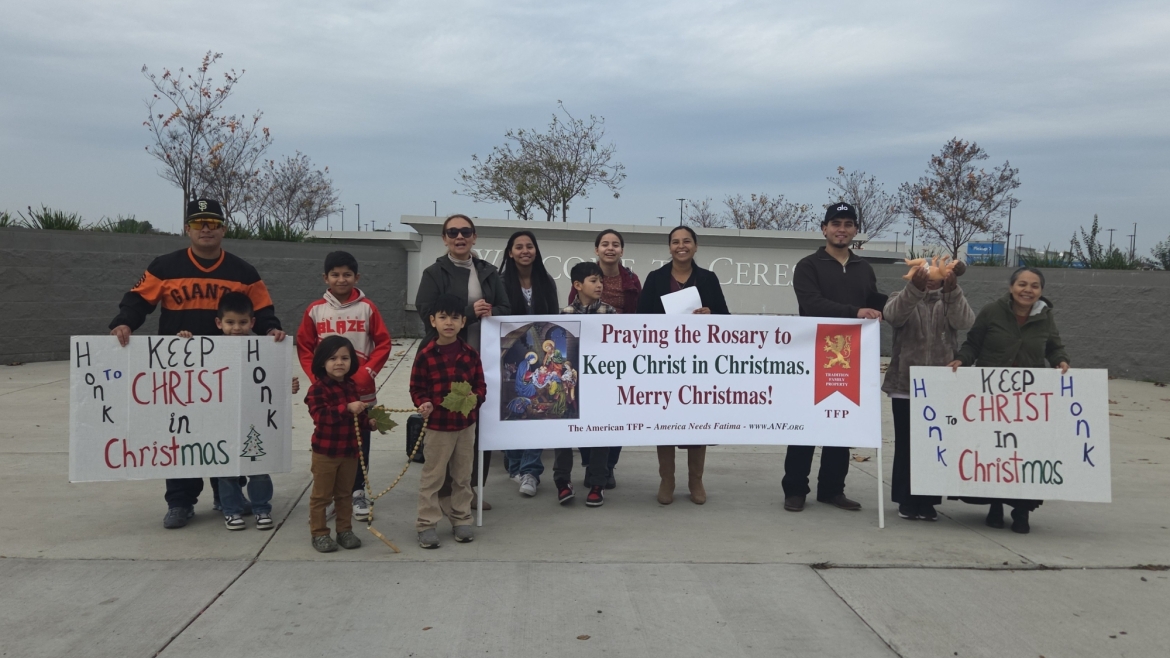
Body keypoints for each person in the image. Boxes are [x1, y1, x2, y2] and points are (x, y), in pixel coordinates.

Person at [108, 198, 286, 530]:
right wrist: (124, 323)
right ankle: (180, 502)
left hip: (228, 369)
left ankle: (226, 495)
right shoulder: (164, 267)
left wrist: (271, 330)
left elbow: (262, 312)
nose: (206, 228)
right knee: (181, 434)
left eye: (213, 223)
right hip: (180, 371)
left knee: (228, 431)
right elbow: (138, 301)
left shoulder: (244, 272)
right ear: (186, 229)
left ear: (223, 229)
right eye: (198, 223)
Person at [946, 267, 1070, 534]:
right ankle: (995, 505)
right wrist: (962, 360)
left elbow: (1054, 347)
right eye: (1022, 284)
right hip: (991, 397)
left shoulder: (1045, 316)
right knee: (994, 454)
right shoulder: (992, 311)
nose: (1028, 290)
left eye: (1034, 286)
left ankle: (1022, 510)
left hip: (1028, 401)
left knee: (1024, 455)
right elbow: (973, 344)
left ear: (1041, 291)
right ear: (1011, 287)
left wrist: (1061, 361)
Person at [783, 202, 886, 513]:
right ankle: (795, 489)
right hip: (813, 356)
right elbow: (812, 304)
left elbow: (872, 302)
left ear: (855, 230)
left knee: (842, 424)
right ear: (824, 229)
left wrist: (901, 299)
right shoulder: (808, 266)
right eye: (836, 223)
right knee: (806, 425)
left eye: (848, 224)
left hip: (851, 357)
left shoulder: (863, 267)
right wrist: (855, 312)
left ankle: (832, 489)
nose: (842, 229)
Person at [177, 292, 301, 531]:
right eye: (230, 322)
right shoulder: (205, 348)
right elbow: (191, 374)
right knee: (226, 471)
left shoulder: (266, 349)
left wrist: (287, 386)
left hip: (254, 421)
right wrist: (185, 342)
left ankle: (261, 508)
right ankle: (231, 511)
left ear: (252, 322)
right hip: (221, 422)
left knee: (259, 469)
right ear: (219, 323)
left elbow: (271, 381)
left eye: (243, 322)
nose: (237, 328)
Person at [415, 214, 510, 510]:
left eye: (466, 232)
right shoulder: (434, 272)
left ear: (474, 237)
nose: (460, 237)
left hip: (483, 359)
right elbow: (426, 311)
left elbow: (506, 307)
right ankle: (444, 493)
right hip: (445, 361)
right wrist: (469, 312)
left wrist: (492, 311)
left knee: (479, 429)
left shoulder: (488, 271)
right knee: (445, 431)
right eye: (453, 232)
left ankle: (470, 491)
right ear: (444, 238)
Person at [295, 251, 392, 522]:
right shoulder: (315, 310)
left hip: (360, 390)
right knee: (330, 440)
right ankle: (329, 495)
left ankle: (357, 491)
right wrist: (317, 378)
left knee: (360, 440)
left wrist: (366, 372)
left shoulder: (367, 308)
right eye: (335, 274)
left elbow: (383, 343)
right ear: (325, 278)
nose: (341, 279)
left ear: (356, 277)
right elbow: (304, 346)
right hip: (328, 390)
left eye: (347, 274)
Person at [637, 226, 729, 505]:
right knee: (665, 419)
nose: (681, 246)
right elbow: (640, 319)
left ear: (696, 246)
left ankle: (695, 480)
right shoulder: (655, 278)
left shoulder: (708, 278)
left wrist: (711, 313)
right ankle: (667, 479)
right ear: (669, 247)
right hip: (663, 362)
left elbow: (726, 318)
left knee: (696, 421)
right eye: (675, 242)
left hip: (699, 363)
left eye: (687, 241)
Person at [883, 261, 975, 521]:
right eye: (923, 272)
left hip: (940, 385)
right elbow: (893, 316)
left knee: (935, 443)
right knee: (906, 444)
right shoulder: (900, 296)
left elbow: (965, 321)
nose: (930, 278)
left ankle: (928, 501)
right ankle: (906, 499)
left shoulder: (948, 300)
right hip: (904, 384)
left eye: (935, 273)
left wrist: (953, 292)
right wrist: (914, 290)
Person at [410, 294, 487, 548]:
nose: (449, 323)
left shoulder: (470, 354)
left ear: (464, 322)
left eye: (455, 318)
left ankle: (461, 518)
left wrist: (474, 398)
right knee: (433, 476)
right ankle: (426, 523)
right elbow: (416, 387)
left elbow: (480, 385)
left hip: (465, 426)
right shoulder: (426, 355)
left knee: (463, 476)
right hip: (437, 426)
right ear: (433, 321)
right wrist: (423, 402)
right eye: (443, 317)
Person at [568, 229, 643, 488]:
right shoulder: (583, 275)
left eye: (615, 244)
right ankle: (590, 463)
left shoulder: (631, 279)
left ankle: (608, 465)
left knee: (615, 412)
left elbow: (641, 314)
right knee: (585, 410)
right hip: (587, 357)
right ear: (596, 249)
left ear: (622, 250)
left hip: (620, 354)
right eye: (604, 244)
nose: (610, 248)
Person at [497, 231, 558, 497]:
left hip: (539, 359)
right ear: (510, 252)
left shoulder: (546, 281)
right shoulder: (500, 282)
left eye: (529, 246)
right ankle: (515, 466)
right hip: (510, 358)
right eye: (519, 247)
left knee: (538, 412)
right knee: (513, 411)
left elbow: (553, 320)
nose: (525, 251)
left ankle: (531, 471)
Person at [554, 262, 618, 507]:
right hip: (572, 384)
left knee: (600, 430)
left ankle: (597, 482)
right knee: (563, 431)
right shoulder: (564, 314)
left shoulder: (610, 312)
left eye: (600, 280)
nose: (599, 284)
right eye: (593, 280)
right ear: (578, 285)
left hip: (600, 384)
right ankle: (562, 481)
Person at [305, 336, 374, 553]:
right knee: (322, 496)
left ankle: (345, 530)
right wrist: (347, 408)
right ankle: (319, 533)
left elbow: (358, 417)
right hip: (326, 453)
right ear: (322, 362)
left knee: (345, 494)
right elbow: (320, 416)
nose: (339, 363)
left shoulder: (351, 386)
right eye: (332, 358)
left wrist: (369, 422)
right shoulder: (317, 389)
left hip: (350, 451)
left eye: (345, 358)